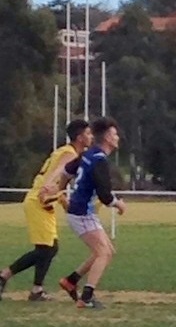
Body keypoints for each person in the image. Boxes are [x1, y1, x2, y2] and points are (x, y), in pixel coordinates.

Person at [0, 120, 92, 302]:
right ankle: (4, 275)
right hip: (39, 200)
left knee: (50, 248)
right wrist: (48, 187)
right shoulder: (69, 153)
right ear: (80, 137)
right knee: (46, 249)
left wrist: (63, 200)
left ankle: (36, 290)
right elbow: (58, 172)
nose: (91, 137)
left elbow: (61, 179)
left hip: (45, 201)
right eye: (88, 134)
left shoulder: (67, 151)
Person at [44, 117, 126, 310]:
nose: (117, 138)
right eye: (114, 134)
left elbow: (67, 170)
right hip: (81, 213)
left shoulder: (89, 154)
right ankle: (86, 297)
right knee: (103, 253)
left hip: (81, 211)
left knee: (106, 252)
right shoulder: (99, 160)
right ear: (107, 137)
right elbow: (105, 196)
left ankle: (71, 281)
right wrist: (119, 204)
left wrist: (60, 188)